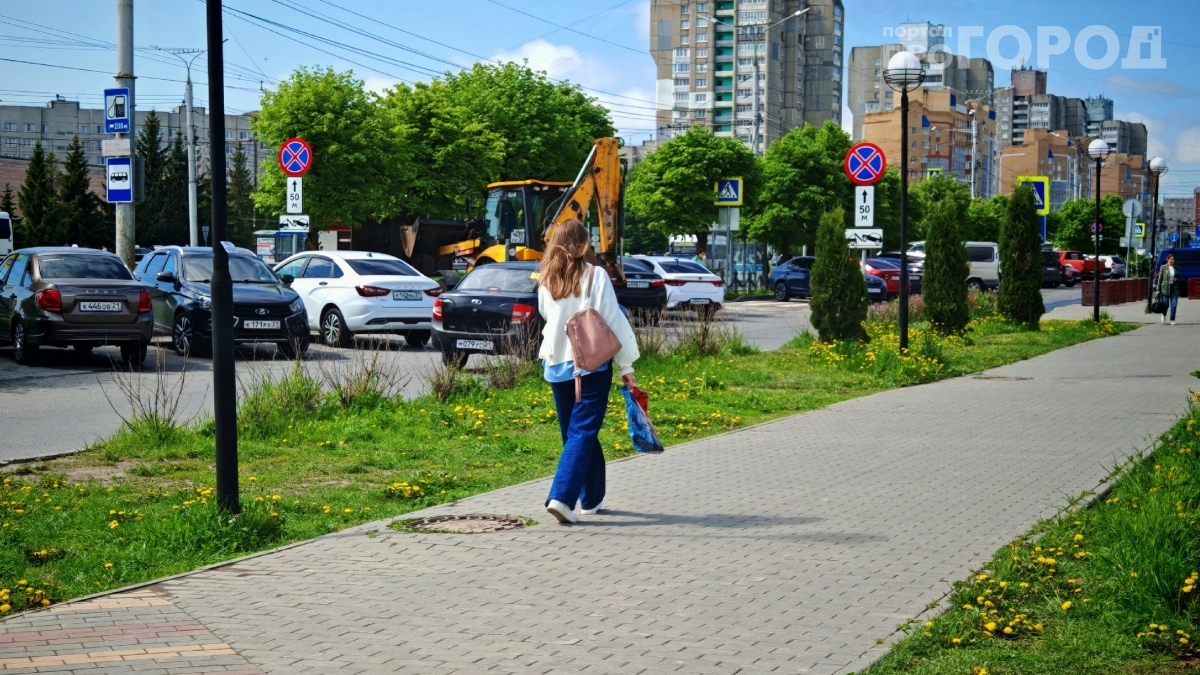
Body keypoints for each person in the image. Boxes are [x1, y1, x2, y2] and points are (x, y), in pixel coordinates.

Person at [537, 219, 639, 524]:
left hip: (556, 365)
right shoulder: (596, 276)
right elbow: (613, 322)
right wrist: (627, 365)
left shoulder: (546, 278)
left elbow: (546, 316)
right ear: (583, 243)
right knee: (582, 432)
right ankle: (562, 498)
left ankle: (591, 498)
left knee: (578, 432)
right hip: (591, 366)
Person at [1157, 253, 1183, 325]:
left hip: (1174, 288)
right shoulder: (1163, 267)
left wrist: (1176, 279)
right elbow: (1160, 278)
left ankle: (1172, 319)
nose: (1172, 260)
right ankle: (1164, 315)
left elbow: (1180, 278)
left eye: (1173, 259)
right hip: (1165, 288)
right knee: (1166, 304)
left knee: (1174, 304)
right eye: (1170, 259)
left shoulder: (1177, 268)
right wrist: (1158, 289)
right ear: (1167, 259)